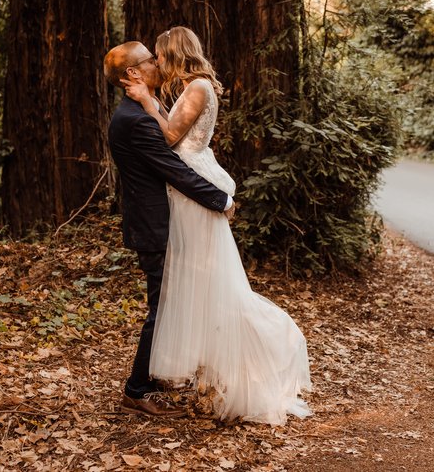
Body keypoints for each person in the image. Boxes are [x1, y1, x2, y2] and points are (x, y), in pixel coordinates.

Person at [121, 26, 312, 425]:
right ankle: (198, 371)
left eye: (160, 54)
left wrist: (147, 100)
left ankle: (262, 350)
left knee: (209, 284)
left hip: (193, 193)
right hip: (188, 193)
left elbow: (170, 137)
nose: (157, 62)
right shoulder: (195, 86)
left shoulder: (197, 89)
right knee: (194, 284)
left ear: (174, 54)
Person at [103, 41, 236, 417]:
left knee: (166, 303)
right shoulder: (135, 121)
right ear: (132, 73)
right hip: (155, 226)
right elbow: (173, 169)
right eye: (150, 60)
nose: (158, 63)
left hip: (158, 222)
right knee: (161, 307)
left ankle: (152, 377)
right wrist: (220, 199)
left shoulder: (137, 112)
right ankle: (136, 390)